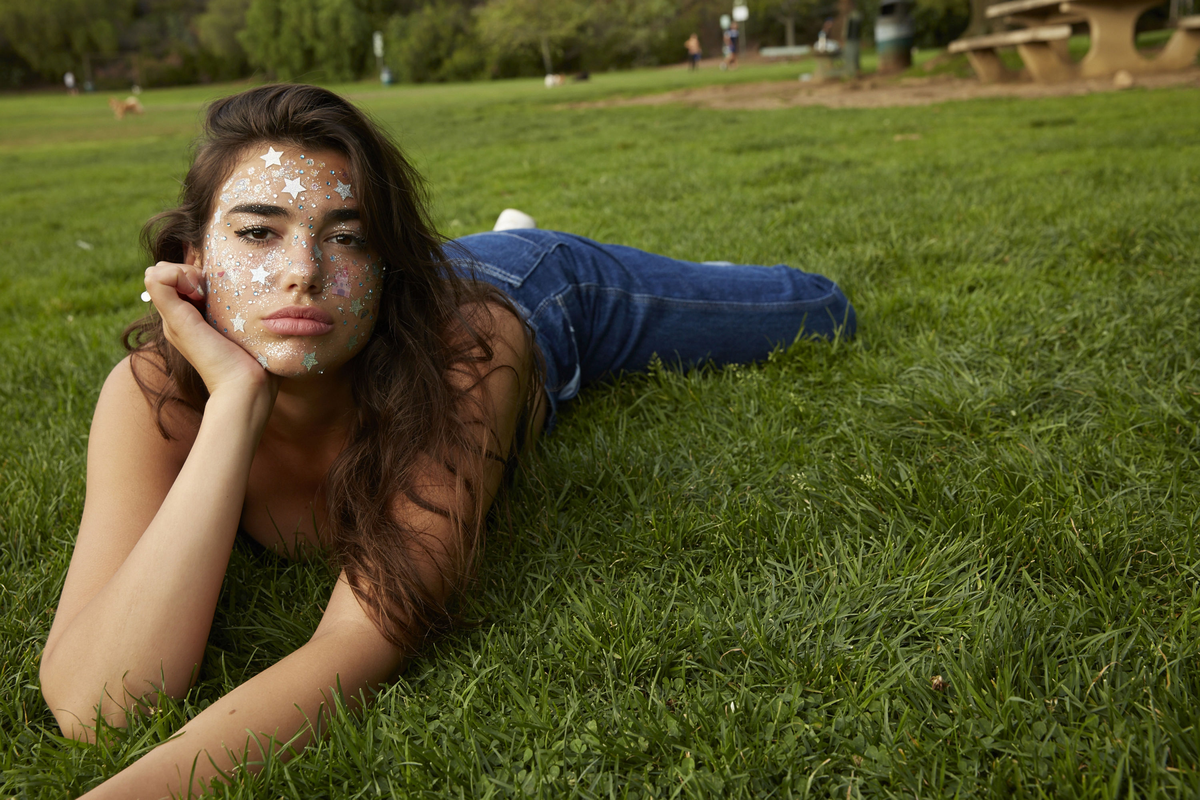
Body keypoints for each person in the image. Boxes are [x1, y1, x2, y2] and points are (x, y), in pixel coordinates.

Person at [38, 84, 854, 797]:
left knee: (819, 312)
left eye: (349, 236)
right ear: (191, 260)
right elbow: (99, 706)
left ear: (387, 263)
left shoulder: (465, 357)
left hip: (532, 297)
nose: (304, 272)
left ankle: (640, 272)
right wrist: (237, 402)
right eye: (258, 233)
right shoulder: (154, 394)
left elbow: (360, 638)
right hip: (432, 289)